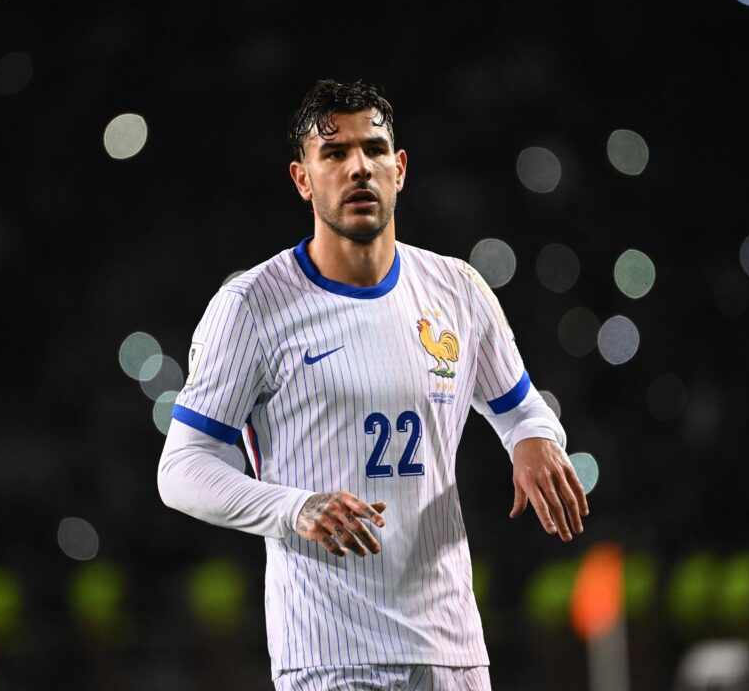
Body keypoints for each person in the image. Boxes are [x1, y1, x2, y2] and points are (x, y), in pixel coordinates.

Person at [157, 79, 589, 690]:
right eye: (334, 154)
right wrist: (294, 507)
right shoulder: (251, 306)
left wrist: (534, 438)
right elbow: (180, 469)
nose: (358, 166)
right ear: (303, 179)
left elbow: (522, 412)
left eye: (374, 148)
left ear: (400, 167)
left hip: (454, 652)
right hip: (330, 658)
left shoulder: (458, 291)